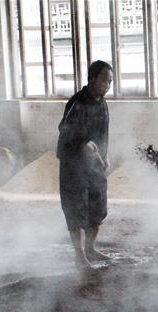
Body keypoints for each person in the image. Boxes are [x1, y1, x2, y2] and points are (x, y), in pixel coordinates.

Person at [56, 60, 114, 268]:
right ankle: (79, 255)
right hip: (73, 163)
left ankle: (91, 248)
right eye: (105, 81)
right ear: (92, 79)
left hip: (95, 163)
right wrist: (84, 143)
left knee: (97, 206)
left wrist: (105, 155)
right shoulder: (77, 102)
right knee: (75, 208)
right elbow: (64, 128)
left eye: (110, 82)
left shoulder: (102, 103)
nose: (108, 85)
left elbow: (103, 134)